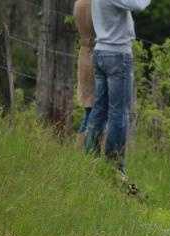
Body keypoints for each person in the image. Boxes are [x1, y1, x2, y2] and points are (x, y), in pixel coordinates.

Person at [85, 0, 150, 173]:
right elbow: (139, 5)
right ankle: (114, 165)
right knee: (119, 113)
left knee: (99, 109)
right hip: (117, 54)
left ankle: (90, 158)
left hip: (100, 51)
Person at [74, 0, 96, 148]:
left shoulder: (79, 4)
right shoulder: (95, 4)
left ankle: (79, 151)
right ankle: (88, 150)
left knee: (89, 109)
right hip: (97, 54)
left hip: (84, 56)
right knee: (96, 111)